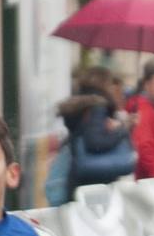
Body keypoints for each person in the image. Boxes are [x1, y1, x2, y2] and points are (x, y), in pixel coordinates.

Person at [56, 66, 135, 200]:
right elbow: (95, 143)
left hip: (79, 181)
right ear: (103, 84)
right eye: (110, 84)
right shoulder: (97, 107)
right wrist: (122, 130)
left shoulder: (82, 106)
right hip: (95, 184)